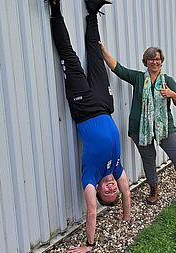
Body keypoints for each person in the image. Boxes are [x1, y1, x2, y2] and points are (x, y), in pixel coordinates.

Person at [48, 0, 130, 252]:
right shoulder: (116, 168)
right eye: (113, 190)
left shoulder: (91, 178)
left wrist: (89, 245)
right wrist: (126, 214)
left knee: (70, 57)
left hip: (83, 107)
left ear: (98, 192)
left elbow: (92, 212)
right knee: (95, 54)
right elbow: (127, 192)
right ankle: (92, 10)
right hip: (104, 104)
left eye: (107, 192)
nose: (112, 187)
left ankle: (55, 9)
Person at [99, 39, 176, 205]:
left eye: (157, 59)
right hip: (140, 128)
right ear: (146, 62)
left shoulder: (167, 80)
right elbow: (118, 69)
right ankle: (153, 190)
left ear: (161, 62)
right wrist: (101, 49)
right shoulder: (138, 78)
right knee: (148, 159)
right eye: (151, 59)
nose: (154, 62)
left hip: (164, 128)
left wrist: (172, 94)